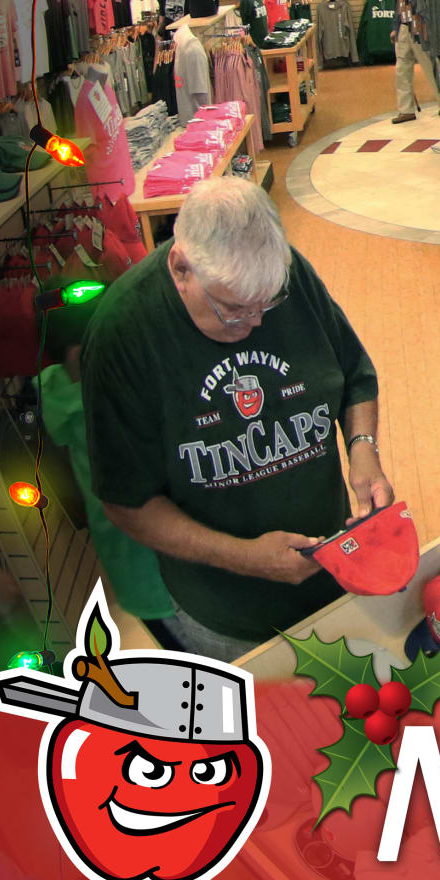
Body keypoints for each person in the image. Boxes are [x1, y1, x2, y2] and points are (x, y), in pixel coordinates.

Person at [87, 179, 394, 661]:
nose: (255, 323)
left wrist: (363, 450)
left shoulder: (283, 277)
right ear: (181, 268)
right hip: (227, 617)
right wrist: (243, 557)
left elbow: (355, 375)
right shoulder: (122, 334)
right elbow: (127, 504)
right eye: (233, 310)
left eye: (267, 305)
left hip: (335, 573)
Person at [38, 288, 181, 647]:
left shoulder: (56, 391)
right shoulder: (109, 406)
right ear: (81, 353)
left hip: (132, 574)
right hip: (165, 571)